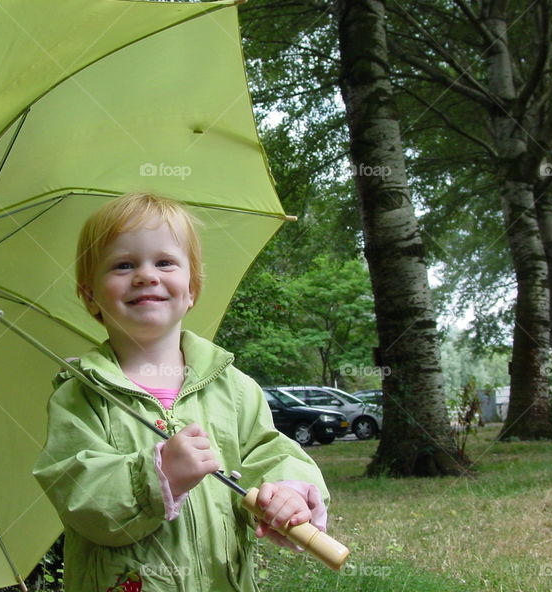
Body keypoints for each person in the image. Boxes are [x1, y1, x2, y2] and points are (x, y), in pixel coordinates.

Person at [32, 192, 330, 591]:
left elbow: (270, 451)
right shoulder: (81, 394)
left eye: (165, 262)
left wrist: (286, 490)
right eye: (123, 265)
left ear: (192, 289)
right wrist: (158, 476)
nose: (146, 275)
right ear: (90, 296)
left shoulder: (234, 388)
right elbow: (79, 493)